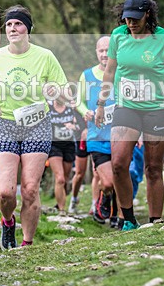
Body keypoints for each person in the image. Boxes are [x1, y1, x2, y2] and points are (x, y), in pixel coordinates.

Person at [95, 0, 164, 231]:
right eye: (127, 18)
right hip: (127, 106)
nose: (131, 23)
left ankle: (155, 221)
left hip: (158, 108)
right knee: (118, 163)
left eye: (136, 18)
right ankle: (128, 219)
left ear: (148, 15)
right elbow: (110, 71)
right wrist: (101, 104)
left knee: (153, 168)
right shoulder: (118, 36)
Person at [0, 5, 70, 249]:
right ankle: (8, 221)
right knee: (5, 192)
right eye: (9, 25)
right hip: (4, 124)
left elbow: (66, 93)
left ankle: (27, 243)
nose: (13, 29)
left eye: (18, 24)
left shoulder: (45, 56)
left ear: (28, 29)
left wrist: (54, 91)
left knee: (30, 189)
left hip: (37, 124)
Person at [77, 36, 120, 228]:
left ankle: (117, 216)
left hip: (120, 135)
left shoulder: (121, 74)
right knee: (108, 182)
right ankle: (104, 197)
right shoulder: (87, 75)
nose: (104, 54)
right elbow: (78, 101)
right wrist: (84, 111)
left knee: (120, 177)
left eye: (107, 50)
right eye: (101, 50)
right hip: (97, 137)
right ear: (96, 52)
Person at [48, 98, 80, 213]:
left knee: (65, 179)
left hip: (69, 145)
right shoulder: (48, 107)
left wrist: (74, 126)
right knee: (60, 178)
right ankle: (62, 210)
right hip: (54, 145)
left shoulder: (71, 108)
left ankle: (60, 203)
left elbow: (81, 125)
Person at [67, 127, 89, 214]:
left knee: (97, 173)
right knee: (79, 174)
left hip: (96, 137)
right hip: (81, 138)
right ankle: (74, 199)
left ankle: (95, 205)